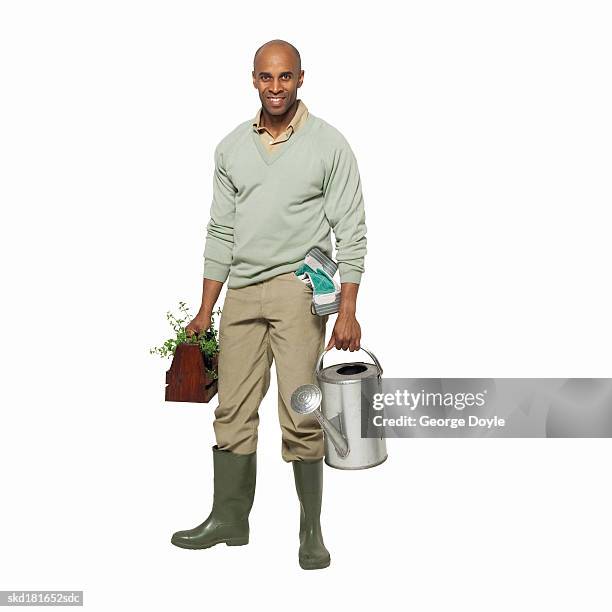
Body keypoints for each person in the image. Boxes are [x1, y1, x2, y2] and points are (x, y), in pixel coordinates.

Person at [170, 39, 368, 570]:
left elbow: (352, 230)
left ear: (300, 78)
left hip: (298, 288)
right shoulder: (232, 148)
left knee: (300, 413)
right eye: (265, 77)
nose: (275, 88)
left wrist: (346, 309)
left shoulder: (328, 144)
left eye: (284, 78)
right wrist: (204, 309)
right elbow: (220, 230)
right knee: (231, 409)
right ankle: (229, 519)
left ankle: (310, 530)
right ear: (253, 79)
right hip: (241, 291)